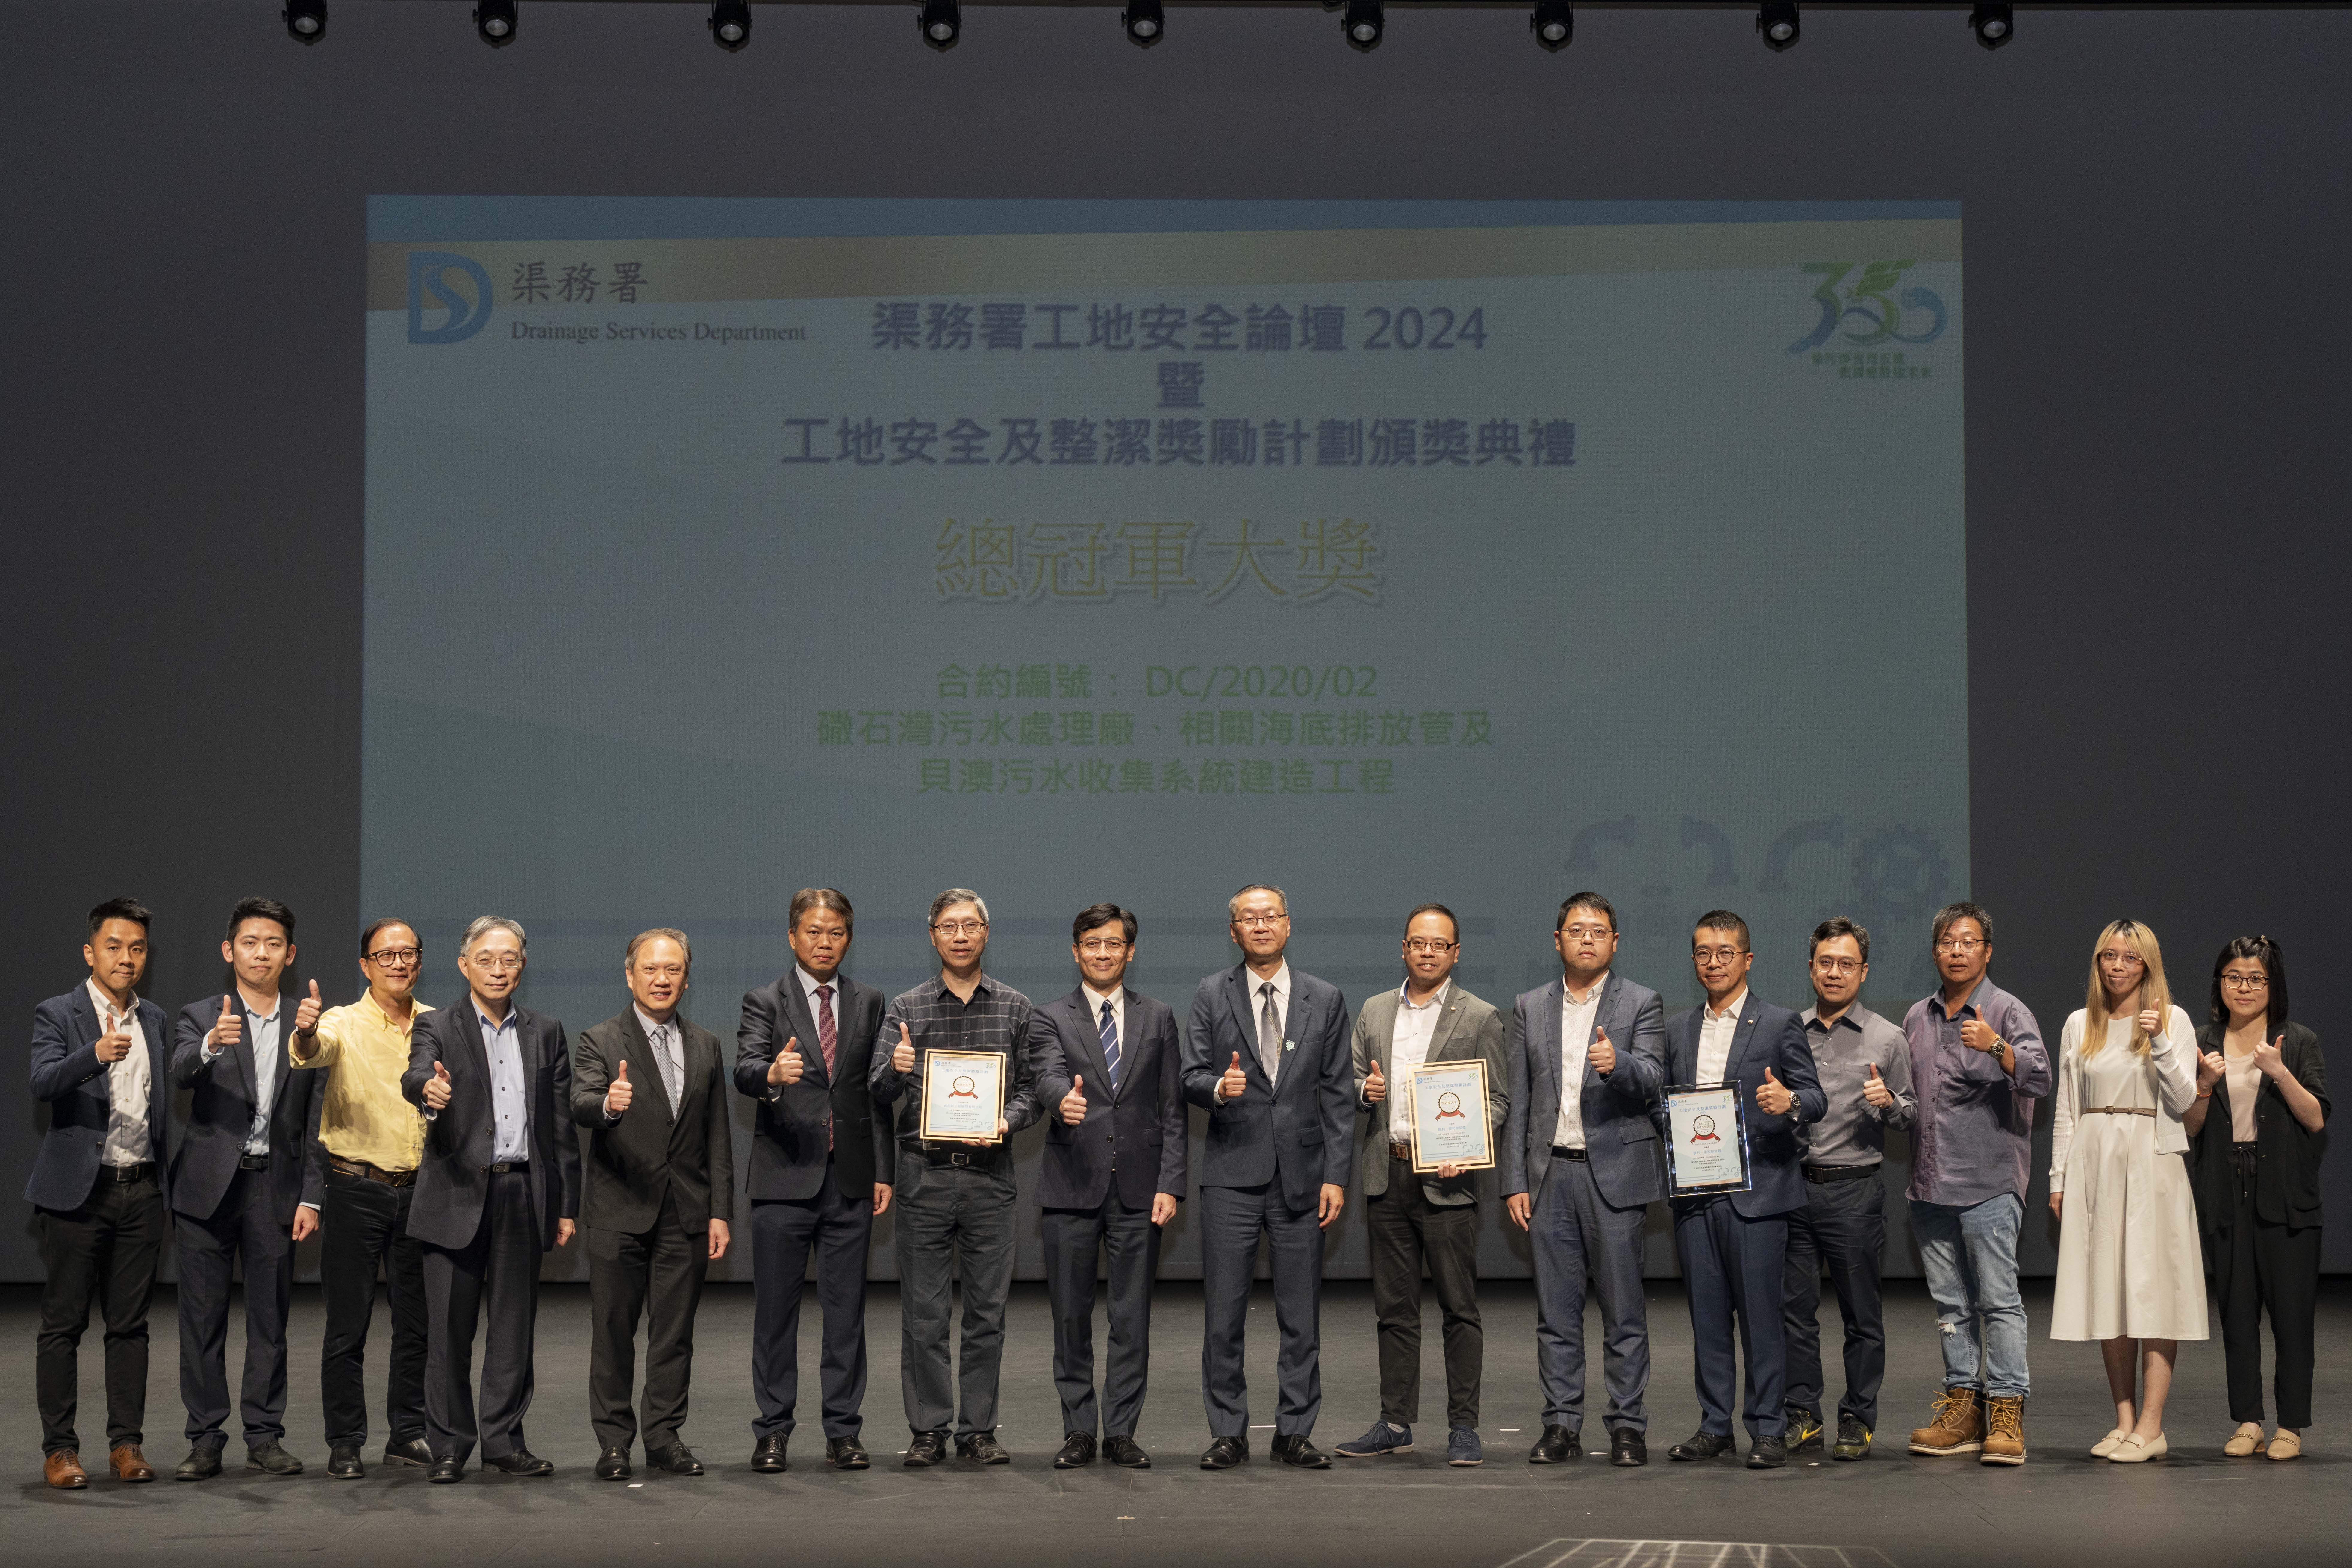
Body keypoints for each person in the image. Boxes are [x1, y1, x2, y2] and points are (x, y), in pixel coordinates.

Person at [399, 916, 581, 1482]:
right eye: (486, 958)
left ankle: (504, 1441)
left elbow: (559, 1128)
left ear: (522, 965)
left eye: (509, 959)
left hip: (522, 1191)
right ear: (464, 965)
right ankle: (450, 1443)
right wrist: (427, 1090)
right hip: (455, 1192)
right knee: (448, 1332)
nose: (498, 968)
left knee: (512, 1329)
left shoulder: (546, 1030)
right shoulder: (436, 1024)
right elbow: (415, 1074)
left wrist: (566, 1204)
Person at [1182, 884, 1354, 1471]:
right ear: (1234, 933)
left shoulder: (1324, 998)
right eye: (1247, 919)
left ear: (1288, 925)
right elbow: (1190, 1075)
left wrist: (1336, 1174)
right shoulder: (1211, 993)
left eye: (1270, 916)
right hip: (1231, 1174)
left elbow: (1337, 1092)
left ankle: (1295, 1431)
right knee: (1223, 1313)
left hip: (1304, 1179)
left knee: (1299, 1315)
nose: (1260, 926)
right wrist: (1215, 1089)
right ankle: (1228, 1432)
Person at [1334, 902, 1507, 1468]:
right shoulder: (1375, 1010)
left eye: (1439, 944)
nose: (1427, 951)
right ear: (1403, 949)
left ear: (1455, 952)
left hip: (1448, 1182)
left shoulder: (1480, 1015)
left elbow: (1499, 1101)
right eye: (1417, 942)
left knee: (1460, 1308)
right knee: (1394, 1310)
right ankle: (1395, 1423)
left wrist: (1467, 1148)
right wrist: (1366, 1093)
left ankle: (1464, 1427)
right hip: (1389, 1174)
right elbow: (1351, 1083)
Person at [869, 889, 1038, 1466]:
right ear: (934, 936)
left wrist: (1006, 1119)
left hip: (991, 1177)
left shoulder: (1017, 1007)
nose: (960, 935)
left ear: (986, 933)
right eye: (949, 926)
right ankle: (928, 1429)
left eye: (971, 925)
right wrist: (895, 1070)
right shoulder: (905, 1008)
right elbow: (877, 1090)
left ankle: (979, 1429)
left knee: (988, 1312)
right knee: (925, 1313)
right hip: (925, 1176)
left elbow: (1034, 1090)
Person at [1498, 891, 1665, 1469]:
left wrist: (1619, 1065)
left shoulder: (1642, 1001)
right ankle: (1561, 1424)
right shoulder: (1529, 1005)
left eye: (1598, 930)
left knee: (1624, 1311)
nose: (1587, 939)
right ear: (1558, 940)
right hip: (1550, 1179)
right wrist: (1515, 1179)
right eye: (1576, 930)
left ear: (1615, 942)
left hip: (1614, 1178)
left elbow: (1653, 1078)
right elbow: (1520, 1097)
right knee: (1557, 1314)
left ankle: (1626, 1425)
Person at [1658, 911, 1823, 1470]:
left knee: (1760, 1317)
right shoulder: (1678, 1027)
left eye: (1725, 951)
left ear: (1747, 959)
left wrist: (1791, 1102)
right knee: (1707, 1318)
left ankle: (1769, 1427)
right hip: (1695, 1195)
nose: (1714, 961)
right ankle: (1714, 1426)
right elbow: (1665, 1103)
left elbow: (1815, 1097)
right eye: (1703, 952)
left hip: (1759, 1193)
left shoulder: (1778, 1023)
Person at [735, 888, 892, 1474]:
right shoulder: (764, 1000)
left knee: (845, 1313)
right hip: (783, 1177)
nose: (824, 942)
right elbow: (746, 1068)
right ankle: (773, 1431)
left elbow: (877, 1096)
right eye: (813, 932)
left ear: (847, 938)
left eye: (835, 933)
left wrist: (883, 1171)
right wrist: (770, 1074)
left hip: (849, 1178)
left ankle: (842, 1432)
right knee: (775, 1313)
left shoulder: (870, 1002)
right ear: (792, 936)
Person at [166, 897, 324, 1481]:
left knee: (270, 1321)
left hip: (275, 1190)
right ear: (229, 950)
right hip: (206, 1192)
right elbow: (181, 1069)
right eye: (250, 943)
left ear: (290, 954)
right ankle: (205, 1439)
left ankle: (264, 1436)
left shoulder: (307, 1023)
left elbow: (316, 1121)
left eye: (274, 943)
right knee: (201, 1322)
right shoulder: (200, 1014)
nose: (262, 953)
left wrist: (312, 1195)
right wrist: (210, 1045)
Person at [571, 929, 734, 1481]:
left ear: (686, 978)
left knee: (674, 1333)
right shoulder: (599, 1039)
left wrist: (719, 1210)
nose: (661, 979)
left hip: (684, 1212)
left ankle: (665, 1436)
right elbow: (582, 1101)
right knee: (613, 1331)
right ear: (630, 974)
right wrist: (609, 1106)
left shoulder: (708, 1044)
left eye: (672, 970)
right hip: (619, 1209)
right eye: (650, 969)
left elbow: (717, 1136)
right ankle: (615, 1441)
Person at [1029, 903, 1186, 1470]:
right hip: (1071, 1183)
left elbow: (1172, 1109)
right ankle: (1078, 1431)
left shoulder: (1161, 1016)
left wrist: (1172, 1182)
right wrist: (1057, 1098)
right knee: (1070, 1316)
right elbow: (1045, 1071)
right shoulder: (1050, 1016)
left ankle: (1120, 1430)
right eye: (1092, 944)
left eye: (1113, 944)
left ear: (1130, 951)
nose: (1102, 953)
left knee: (1131, 1316)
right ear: (1076, 951)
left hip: (1142, 1190)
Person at [28, 898, 174, 1489]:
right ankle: (60, 1450)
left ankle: (126, 1446)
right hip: (77, 1195)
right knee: (63, 1326)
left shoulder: (156, 1019)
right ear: (91, 952)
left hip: (140, 1190)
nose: (127, 958)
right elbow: (41, 1082)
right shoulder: (57, 1013)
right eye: (114, 947)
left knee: (130, 1327)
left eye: (137, 948)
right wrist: (93, 1056)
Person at [2047, 919, 2205, 1462]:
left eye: (2129, 958)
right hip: (2095, 1158)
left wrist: (2159, 1037)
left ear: (2148, 965)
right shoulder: (2078, 1023)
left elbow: (2186, 1100)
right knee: (2109, 1288)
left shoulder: (2173, 1019)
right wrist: (2059, 1177)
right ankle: (2123, 1420)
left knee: (2152, 1289)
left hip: (2151, 1158)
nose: (2117, 966)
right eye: (2108, 956)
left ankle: (2153, 1426)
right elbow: (2067, 1108)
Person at [1902, 901, 2050, 1467]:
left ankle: (2008, 1409)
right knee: (1950, 1303)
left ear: (1987, 951)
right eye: (1947, 942)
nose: (1957, 951)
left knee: (1998, 1301)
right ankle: (1964, 1404)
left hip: (1989, 1183)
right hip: (1930, 1183)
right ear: (1936, 950)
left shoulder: (2008, 1010)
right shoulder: (1918, 1015)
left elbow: (2039, 1077)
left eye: (1968, 942)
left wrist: (1994, 1043)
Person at [287, 918, 434, 1478]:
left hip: (421, 1192)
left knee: (416, 1324)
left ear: (419, 961)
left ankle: (408, 1432)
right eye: (385, 954)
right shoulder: (340, 1021)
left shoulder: (436, 1023)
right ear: (365, 964)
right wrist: (302, 1030)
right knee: (348, 1325)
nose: (398, 963)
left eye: (408, 953)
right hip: (354, 1188)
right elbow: (312, 1050)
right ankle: (346, 1440)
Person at [2187, 935, 2328, 1462]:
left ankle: (2291, 1424)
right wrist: (2202, 1085)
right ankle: (2248, 1420)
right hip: (2226, 1191)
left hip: (2285, 1194)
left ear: (2273, 985)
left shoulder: (2297, 1041)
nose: (2244, 987)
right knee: (2237, 1314)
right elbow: (2191, 1128)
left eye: (2256, 978)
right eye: (2234, 977)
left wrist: (2280, 1071)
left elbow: (2315, 1117)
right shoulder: (2202, 1040)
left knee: (2292, 1317)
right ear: (2219, 983)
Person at [1783, 916, 1913, 1462]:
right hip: (1793, 1189)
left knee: (1862, 1315)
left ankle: (1858, 1418)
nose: (1834, 973)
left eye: (1846, 963)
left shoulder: (1888, 1037)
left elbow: (1912, 1115)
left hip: (1855, 1191)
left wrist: (1890, 1105)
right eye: (1825, 962)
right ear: (1810, 967)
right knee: (1795, 1312)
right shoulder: (1787, 1028)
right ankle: (1802, 1414)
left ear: (1864, 970)